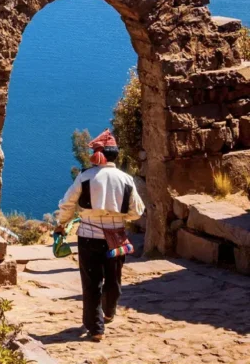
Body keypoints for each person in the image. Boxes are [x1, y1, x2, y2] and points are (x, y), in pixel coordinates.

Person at [55, 129, 145, 342]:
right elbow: (136, 212)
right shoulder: (126, 179)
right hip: (116, 237)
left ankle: (96, 329)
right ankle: (109, 311)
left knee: (91, 282)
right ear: (116, 155)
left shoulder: (85, 177)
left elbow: (67, 204)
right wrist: (120, 218)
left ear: (98, 155)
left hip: (88, 236)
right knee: (113, 279)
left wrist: (62, 224)